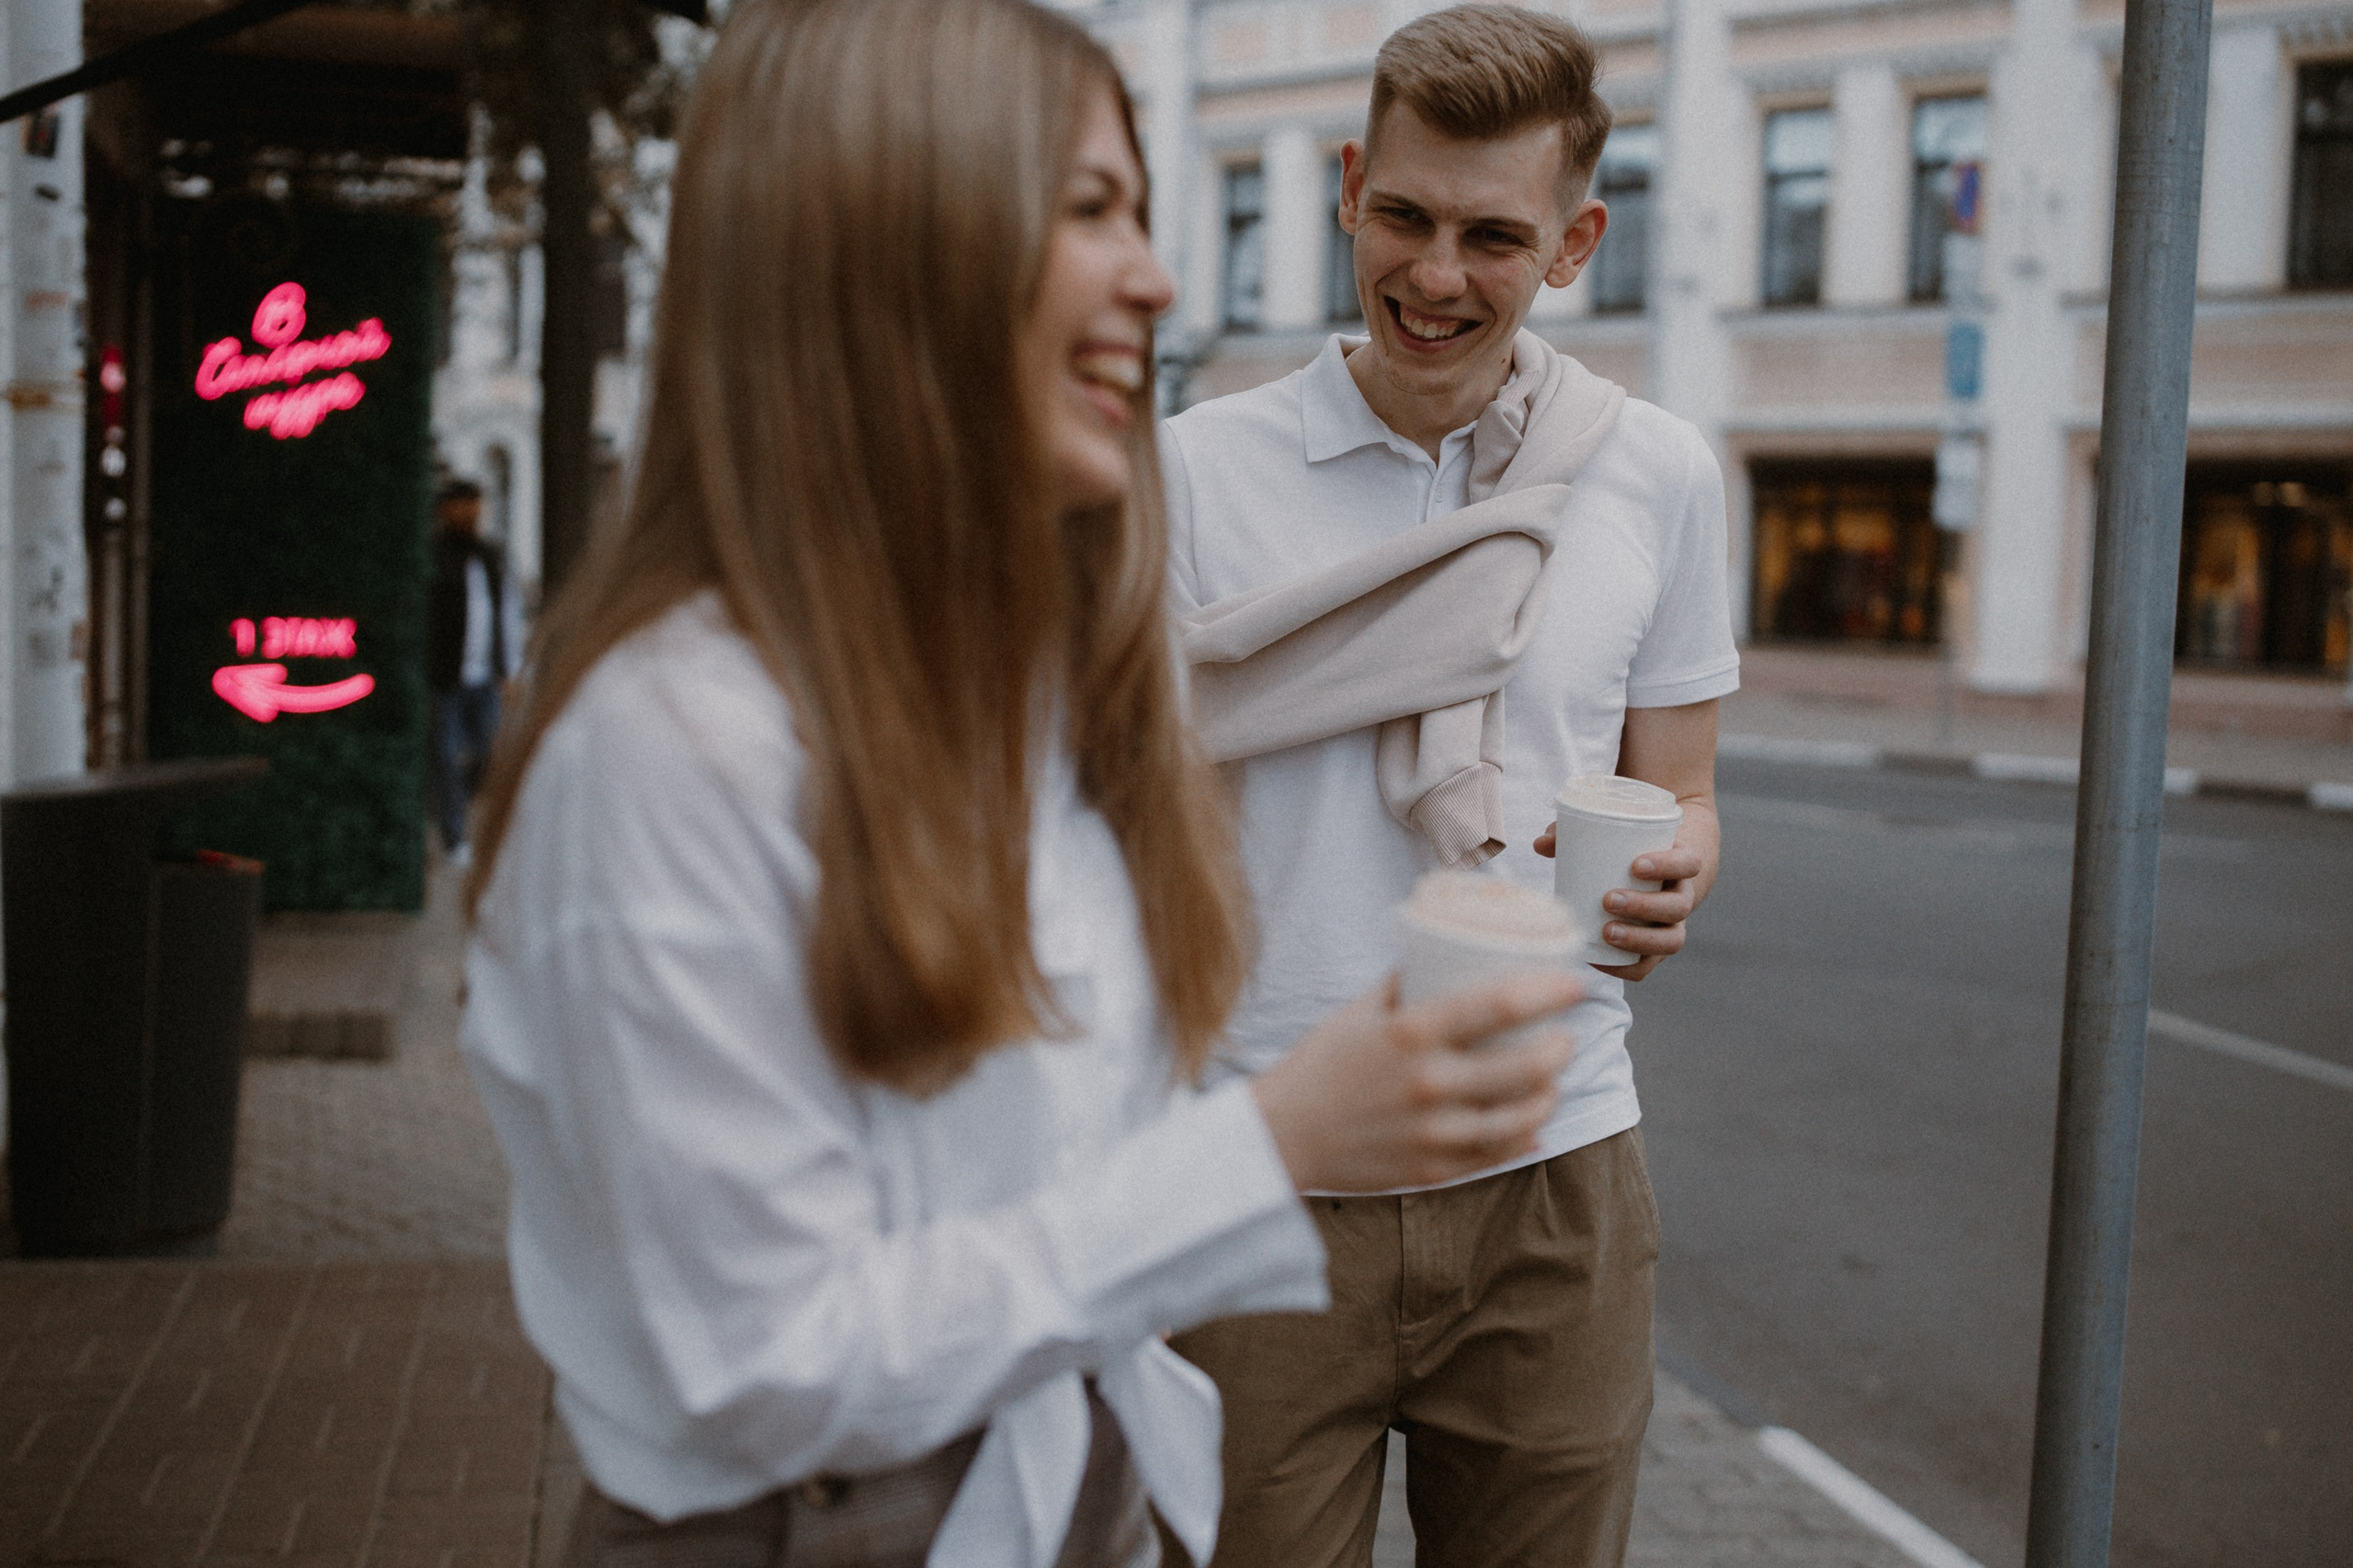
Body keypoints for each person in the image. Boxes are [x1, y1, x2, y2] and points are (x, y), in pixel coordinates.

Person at [455, 4, 1579, 1565]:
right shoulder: (674, 748)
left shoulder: (1000, 693)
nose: (1159, 277)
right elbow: (774, 1366)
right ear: (884, 247)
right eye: (1091, 212)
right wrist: (1273, 1145)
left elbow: (1035, 1170)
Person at [1159, 6, 1740, 1565]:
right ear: (1350, 186)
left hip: (1552, 1178)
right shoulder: (1193, 476)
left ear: (1574, 243)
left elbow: (1679, 789)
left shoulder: (1658, 475)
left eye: (1494, 235)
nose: (1434, 276)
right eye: (1405, 216)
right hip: (1261, 1163)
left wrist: (1676, 862)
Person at [426, 476, 526, 867]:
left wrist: (510, 668)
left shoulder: (490, 555)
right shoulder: (434, 555)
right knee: (447, 756)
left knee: (489, 755)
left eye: (473, 504)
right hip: (445, 676)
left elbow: (507, 613)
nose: (468, 512)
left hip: (486, 675)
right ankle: (454, 837)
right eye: (460, 504)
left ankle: (479, 829)